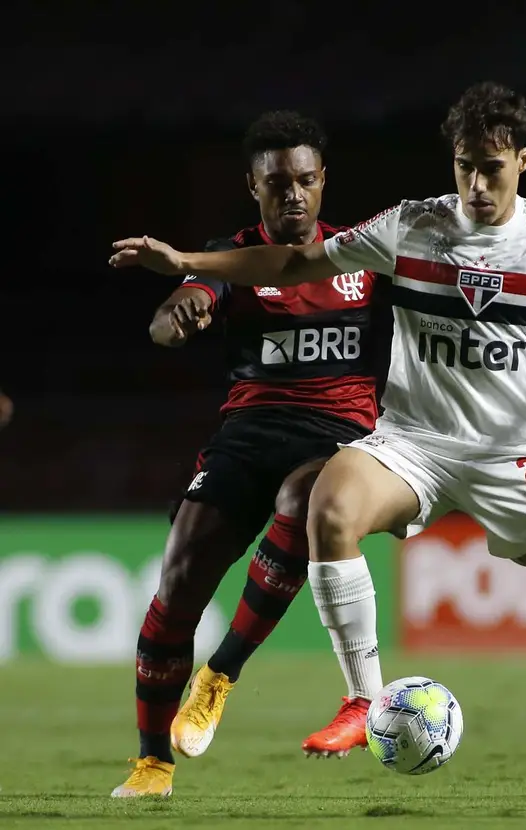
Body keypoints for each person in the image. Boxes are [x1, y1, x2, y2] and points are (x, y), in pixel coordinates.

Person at [111, 81, 526, 798]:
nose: (477, 184)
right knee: (328, 502)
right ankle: (363, 699)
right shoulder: (412, 225)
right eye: (463, 167)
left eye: (492, 166)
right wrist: (186, 266)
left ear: (522, 161)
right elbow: (295, 263)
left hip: (513, 459)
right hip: (413, 444)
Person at [112, 111, 384, 797]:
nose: (292, 194)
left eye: (303, 180)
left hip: (338, 437)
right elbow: (184, 302)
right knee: (176, 586)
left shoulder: (364, 255)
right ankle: (152, 763)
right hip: (247, 437)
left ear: (324, 181)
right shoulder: (228, 256)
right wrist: (177, 316)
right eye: (276, 183)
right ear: (253, 188)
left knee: (306, 499)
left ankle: (222, 671)